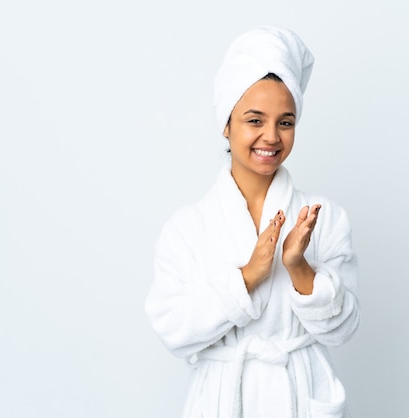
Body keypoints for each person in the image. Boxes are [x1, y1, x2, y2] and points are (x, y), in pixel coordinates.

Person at [145, 25, 360, 418]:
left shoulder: (324, 218)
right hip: (224, 402)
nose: (271, 137)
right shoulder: (188, 228)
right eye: (254, 120)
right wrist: (246, 278)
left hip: (299, 396)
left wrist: (298, 268)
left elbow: (342, 330)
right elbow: (173, 330)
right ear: (226, 124)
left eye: (285, 122)